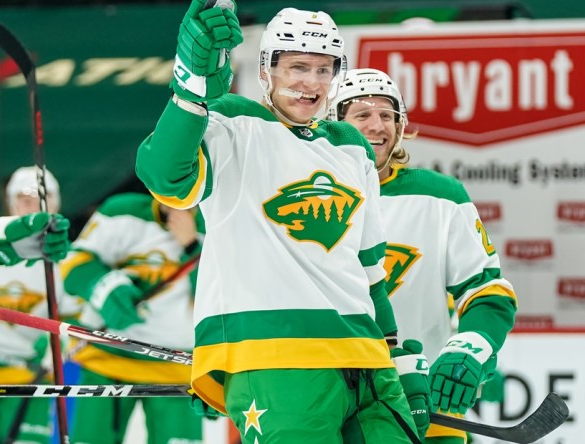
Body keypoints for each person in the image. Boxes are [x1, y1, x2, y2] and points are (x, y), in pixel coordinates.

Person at [135, 2, 423, 443]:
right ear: (267, 70)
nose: (311, 83)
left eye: (324, 70)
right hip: (276, 359)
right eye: (298, 67)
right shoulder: (231, 122)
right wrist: (191, 91)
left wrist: (396, 356)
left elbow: (369, 271)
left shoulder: (350, 146)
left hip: (366, 360)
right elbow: (165, 177)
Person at [330, 68, 518, 443]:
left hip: (422, 400)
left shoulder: (441, 197)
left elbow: (487, 292)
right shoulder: (306, 194)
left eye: (387, 115)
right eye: (361, 115)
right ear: (333, 123)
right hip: (327, 399)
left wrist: (471, 347)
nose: (377, 125)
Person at [60, 192, 204, 444]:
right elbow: (74, 263)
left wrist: (192, 246)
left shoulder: (219, 220)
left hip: (178, 368)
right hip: (108, 358)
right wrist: (105, 287)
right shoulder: (121, 210)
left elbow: (224, 296)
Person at [0, 166, 77, 444]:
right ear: (10, 201)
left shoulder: (62, 257)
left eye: (41, 200)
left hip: (28, 377)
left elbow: (78, 316)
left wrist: (57, 346)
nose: (31, 207)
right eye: (24, 199)